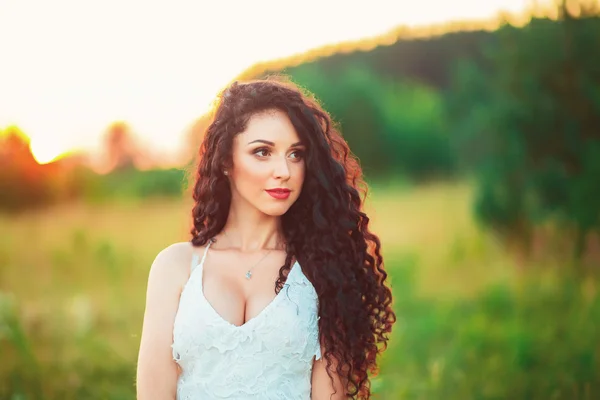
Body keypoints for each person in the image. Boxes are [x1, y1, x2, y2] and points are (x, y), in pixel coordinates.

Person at [136, 77, 396, 399]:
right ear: (226, 160)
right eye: (262, 152)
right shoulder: (175, 266)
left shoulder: (325, 267)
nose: (284, 170)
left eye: (296, 154)